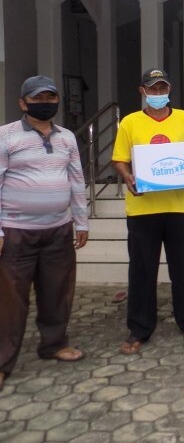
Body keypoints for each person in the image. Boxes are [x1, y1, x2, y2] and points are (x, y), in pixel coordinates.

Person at [0, 75, 89, 391]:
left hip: (58, 230)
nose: (46, 103)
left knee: (57, 292)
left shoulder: (66, 137)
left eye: (51, 97)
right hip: (15, 231)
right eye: (38, 98)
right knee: (10, 300)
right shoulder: (6, 136)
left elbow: (77, 180)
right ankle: (2, 362)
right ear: (23, 103)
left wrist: (81, 221)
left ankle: (53, 344)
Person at [112, 69, 184, 354]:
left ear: (170, 89)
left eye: (162, 88)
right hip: (142, 208)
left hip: (177, 206)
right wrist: (129, 178)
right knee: (142, 271)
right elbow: (120, 160)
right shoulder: (130, 122)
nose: (158, 94)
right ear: (142, 91)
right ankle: (139, 329)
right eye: (153, 89)